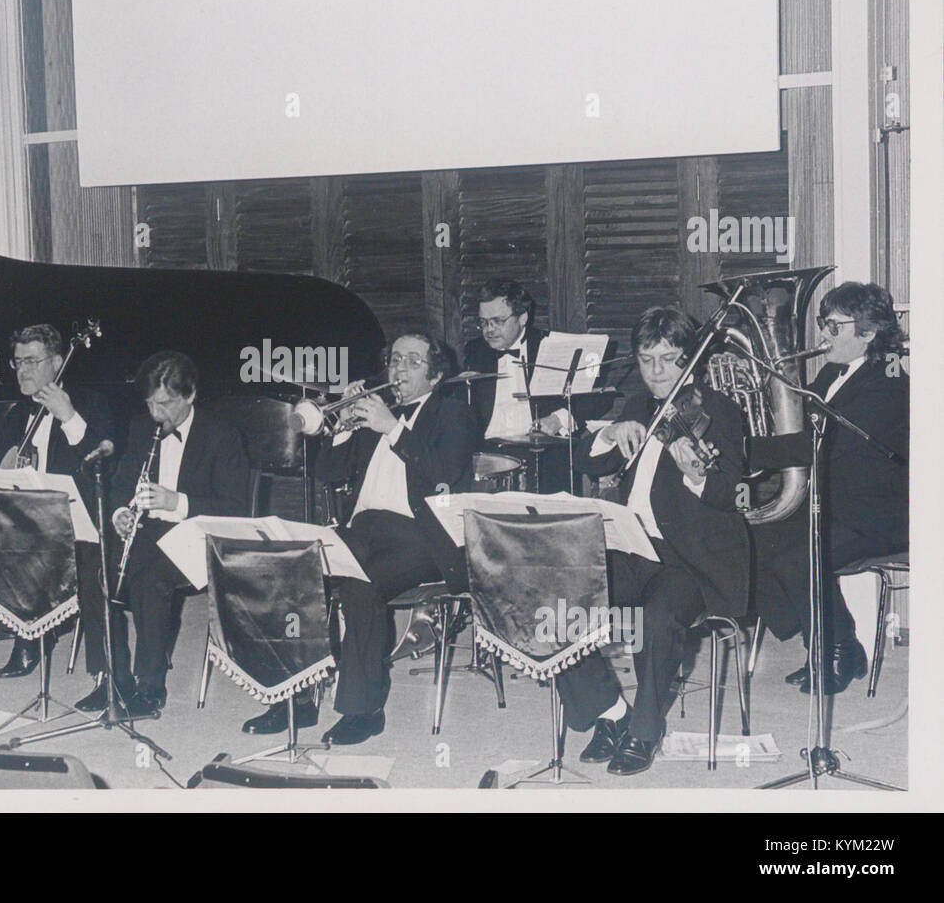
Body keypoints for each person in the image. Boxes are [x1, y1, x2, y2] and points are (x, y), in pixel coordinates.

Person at [554, 306, 750, 775]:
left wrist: (696, 477)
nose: (657, 372)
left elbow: (732, 494)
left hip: (687, 558)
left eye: (668, 359)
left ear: (691, 361)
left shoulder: (720, 411)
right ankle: (610, 714)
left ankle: (645, 732)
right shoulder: (639, 405)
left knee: (656, 618)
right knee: (558, 608)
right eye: (647, 360)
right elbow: (592, 463)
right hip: (628, 546)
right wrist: (610, 433)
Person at [304, 331, 478, 745]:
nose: (399, 368)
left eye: (413, 361)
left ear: (435, 376)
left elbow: (443, 474)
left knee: (359, 582)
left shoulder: (454, 413)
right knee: (297, 569)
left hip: (421, 538)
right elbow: (328, 473)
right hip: (362, 529)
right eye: (395, 359)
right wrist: (344, 427)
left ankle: (362, 710)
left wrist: (392, 428)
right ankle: (293, 696)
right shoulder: (374, 414)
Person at [750, 281, 908, 695]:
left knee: (800, 559)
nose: (823, 335)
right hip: (832, 505)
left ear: (868, 332)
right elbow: (799, 426)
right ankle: (820, 641)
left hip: (877, 517)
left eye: (833, 326)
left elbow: (822, 443)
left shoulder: (889, 382)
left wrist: (750, 450)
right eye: (824, 324)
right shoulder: (832, 372)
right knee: (756, 539)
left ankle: (840, 648)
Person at [0, 324, 115, 678]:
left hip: (68, 523)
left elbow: (104, 467)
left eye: (32, 361)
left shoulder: (90, 404)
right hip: (18, 520)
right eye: (17, 362)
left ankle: (31, 637)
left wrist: (68, 417)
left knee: (34, 547)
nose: (23, 370)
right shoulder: (15, 414)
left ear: (58, 363)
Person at [76, 350, 250, 717]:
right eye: (151, 403)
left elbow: (236, 507)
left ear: (190, 395)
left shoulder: (221, 434)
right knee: (94, 569)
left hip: (196, 532)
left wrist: (178, 502)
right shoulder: (142, 427)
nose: (157, 413)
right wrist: (120, 514)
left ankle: (150, 686)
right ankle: (113, 678)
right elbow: (122, 483)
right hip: (147, 530)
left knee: (150, 579)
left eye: (166, 403)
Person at [462, 280, 574, 492]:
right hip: (489, 452)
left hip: (540, 452)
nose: (489, 330)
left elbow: (593, 398)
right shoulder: (475, 350)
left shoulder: (549, 345)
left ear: (523, 317)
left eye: (497, 321)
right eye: (484, 322)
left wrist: (558, 418)